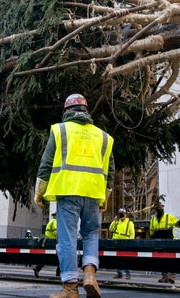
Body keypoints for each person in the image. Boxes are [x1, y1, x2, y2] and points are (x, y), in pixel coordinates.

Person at [35, 93, 114, 298]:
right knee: (90, 234)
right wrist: (105, 196)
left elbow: (46, 164)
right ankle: (89, 273)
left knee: (67, 238)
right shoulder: (103, 136)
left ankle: (70, 288)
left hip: (68, 191)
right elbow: (110, 170)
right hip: (93, 194)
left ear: (67, 111)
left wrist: (39, 192)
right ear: (86, 111)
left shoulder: (60, 130)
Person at [149, 202, 180, 283]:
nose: (159, 208)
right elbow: (151, 231)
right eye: (158, 207)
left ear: (163, 207)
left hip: (169, 242)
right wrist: (152, 238)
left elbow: (177, 224)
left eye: (161, 207)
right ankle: (164, 276)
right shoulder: (153, 219)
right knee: (162, 260)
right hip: (159, 242)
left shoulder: (169, 217)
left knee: (170, 259)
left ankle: (172, 276)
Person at [109, 208, 135, 280]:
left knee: (126, 259)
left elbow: (132, 234)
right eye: (120, 213)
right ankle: (119, 273)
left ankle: (128, 273)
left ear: (125, 214)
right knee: (118, 259)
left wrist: (130, 243)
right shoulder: (117, 222)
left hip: (125, 243)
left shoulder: (130, 223)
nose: (122, 215)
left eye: (122, 213)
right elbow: (111, 229)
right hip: (117, 242)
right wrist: (114, 220)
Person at [33, 213, 60, 278]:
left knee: (47, 258)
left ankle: (37, 268)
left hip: (48, 242)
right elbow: (56, 232)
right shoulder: (55, 222)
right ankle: (58, 273)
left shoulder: (52, 221)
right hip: (52, 242)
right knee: (60, 257)